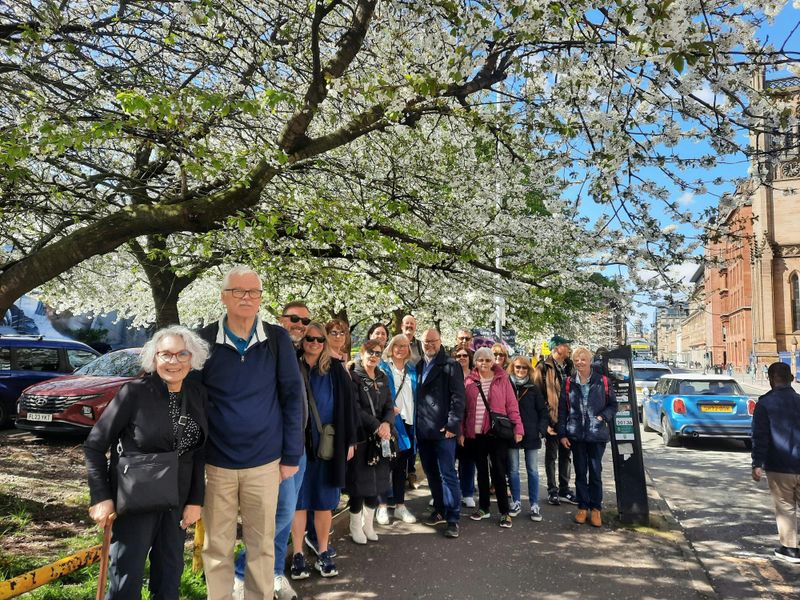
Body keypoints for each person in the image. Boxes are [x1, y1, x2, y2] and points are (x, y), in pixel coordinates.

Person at [198, 266, 304, 600]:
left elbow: (292, 398)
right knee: (218, 547)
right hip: (217, 464)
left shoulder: (276, 339)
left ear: (260, 299)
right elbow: (194, 401)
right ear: (223, 297)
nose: (246, 297)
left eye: (253, 292)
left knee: (262, 546)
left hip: (265, 463)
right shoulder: (203, 340)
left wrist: (290, 456)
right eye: (238, 291)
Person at [84, 326, 209, 600]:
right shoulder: (133, 393)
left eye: (181, 354)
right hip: (135, 500)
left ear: (192, 358)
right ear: (154, 359)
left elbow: (198, 453)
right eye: (166, 354)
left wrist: (195, 501)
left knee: (169, 578)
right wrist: (101, 497)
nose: (173, 362)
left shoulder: (197, 394)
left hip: (177, 502)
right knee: (126, 580)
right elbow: (94, 446)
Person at [289, 323, 358, 579]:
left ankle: (323, 551)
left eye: (320, 340)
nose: (315, 343)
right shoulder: (292, 366)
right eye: (310, 338)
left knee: (324, 502)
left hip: (328, 445)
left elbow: (348, 407)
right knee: (298, 501)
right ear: (302, 340)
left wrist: (350, 441)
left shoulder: (336, 370)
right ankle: (297, 553)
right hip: (297, 446)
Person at [461, 347, 524, 528]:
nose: (484, 363)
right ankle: (484, 508)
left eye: (488, 360)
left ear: (493, 362)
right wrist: (461, 432)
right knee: (481, 471)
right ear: (476, 362)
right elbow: (463, 410)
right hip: (477, 434)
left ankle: (504, 512)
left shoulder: (502, 379)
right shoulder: (469, 381)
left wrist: (518, 428)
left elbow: (512, 405)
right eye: (481, 360)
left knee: (498, 470)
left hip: (496, 434)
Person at [558, 346, 618, 528]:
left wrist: (602, 417)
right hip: (576, 434)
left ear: (590, 361)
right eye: (576, 359)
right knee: (580, 473)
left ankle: (596, 508)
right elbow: (562, 410)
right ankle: (583, 507)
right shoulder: (568, 383)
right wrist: (562, 433)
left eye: (583, 359)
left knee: (595, 473)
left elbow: (613, 405)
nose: (579, 362)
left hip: (596, 434)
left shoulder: (603, 382)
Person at [416, 328, 466, 538]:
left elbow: (458, 398)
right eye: (426, 342)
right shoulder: (419, 365)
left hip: (443, 430)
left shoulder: (451, 365)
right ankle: (439, 508)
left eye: (433, 341)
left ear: (440, 341)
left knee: (448, 474)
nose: (430, 345)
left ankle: (453, 517)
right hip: (424, 429)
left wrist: (452, 426)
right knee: (431, 474)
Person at [751, 361, 800, 564]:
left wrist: (757, 463)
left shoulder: (764, 404)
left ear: (771, 380)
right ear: (791, 378)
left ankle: (790, 549)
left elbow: (760, 436)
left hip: (780, 466)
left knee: (785, 506)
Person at [347, 339, 394, 544]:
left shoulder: (382, 377)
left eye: (378, 352)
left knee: (377, 482)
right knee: (360, 483)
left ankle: (369, 525)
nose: (374, 356)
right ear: (362, 353)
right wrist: (377, 425)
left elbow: (389, 405)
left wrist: (387, 423)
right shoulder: (354, 376)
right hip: (362, 437)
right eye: (370, 352)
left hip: (381, 437)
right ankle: (355, 526)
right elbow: (355, 408)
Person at [377, 334, 419, 524]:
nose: (401, 349)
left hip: (409, 422)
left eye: (405, 346)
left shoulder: (412, 370)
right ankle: (382, 507)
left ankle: (400, 506)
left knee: (401, 466)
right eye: (397, 346)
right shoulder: (383, 368)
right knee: (385, 465)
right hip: (391, 422)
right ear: (391, 348)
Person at [533, 335, 577, 506]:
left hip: (569, 419)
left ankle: (564, 489)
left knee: (567, 455)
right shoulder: (543, 367)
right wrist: (545, 423)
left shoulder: (570, 366)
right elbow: (537, 395)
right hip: (552, 419)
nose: (568, 348)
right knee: (551, 456)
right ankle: (553, 491)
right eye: (566, 345)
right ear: (557, 348)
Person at [507, 355, 549, 521]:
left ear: (528, 370)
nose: (521, 371)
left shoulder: (534, 388)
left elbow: (543, 412)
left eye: (524, 368)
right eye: (517, 367)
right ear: (512, 368)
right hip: (512, 435)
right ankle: (516, 501)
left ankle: (534, 504)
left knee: (532, 470)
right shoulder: (507, 386)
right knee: (513, 470)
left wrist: (541, 431)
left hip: (531, 434)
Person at [451, 346, 476, 508]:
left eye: (465, 355)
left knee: (468, 461)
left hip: (469, 424)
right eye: (458, 355)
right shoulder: (450, 374)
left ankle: (467, 493)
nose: (461, 358)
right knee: (448, 461)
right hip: (452, 422)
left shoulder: (475, 376)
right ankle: (448, 492)